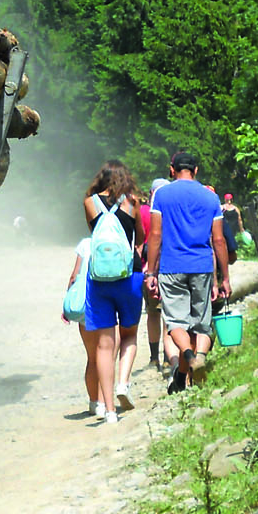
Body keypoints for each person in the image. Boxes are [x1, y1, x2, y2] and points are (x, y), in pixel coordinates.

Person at [144, 151, 229, 394]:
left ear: (172, 170)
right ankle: (200, 356)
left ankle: (190, 357)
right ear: (196, 170)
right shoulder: (210, 198)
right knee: (201, 324)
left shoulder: (162, 194)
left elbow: (156, 235)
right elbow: (219, 240)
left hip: (172, 266)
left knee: (176, 323)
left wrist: (151, 273)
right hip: (202, 266)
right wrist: (225, 278)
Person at [81, 160, 144, 421]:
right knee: (128, 335)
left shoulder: (89, 203)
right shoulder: (133, 202)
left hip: (99, 280)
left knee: (104, 346)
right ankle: (123, 384)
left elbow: (93, 234)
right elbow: (138, 238)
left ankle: (108, 411)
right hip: (128, 277)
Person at [62, 237, 106, 419]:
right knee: (106, 354)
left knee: (92, 358)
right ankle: (105, 403)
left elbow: (74, 275)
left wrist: (67, 304)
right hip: (106, 301)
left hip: (86, 304)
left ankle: (94, 402)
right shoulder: (116, 239)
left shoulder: (85, 243)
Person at [139, 177, 171, 372]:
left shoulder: (143, 212)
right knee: (169, 314)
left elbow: (139, 241)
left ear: (151, 193)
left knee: (152, 313)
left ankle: (153, 358)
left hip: (146, 270)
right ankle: (169, 357)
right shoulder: (172, 211)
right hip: (169, 267)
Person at [221, 193, 245, 265]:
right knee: (232, 240)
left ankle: (226, 255)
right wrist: (241, 229)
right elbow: (239, 219)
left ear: (225, 199)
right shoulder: (235, 208)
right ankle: (231, 255)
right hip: (233, 227)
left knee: (225, 241)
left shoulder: (222, 208)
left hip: (225, 227)